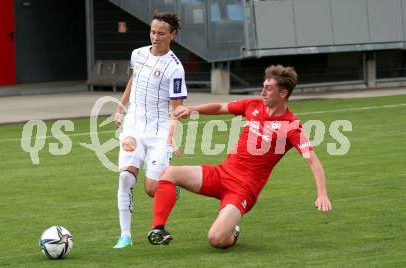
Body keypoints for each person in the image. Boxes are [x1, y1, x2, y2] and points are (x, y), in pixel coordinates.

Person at [147, 65, 332, 248]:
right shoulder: (253, 105)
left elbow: (312, 161)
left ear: (283, 93)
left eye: (268, 88)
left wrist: (322, 194)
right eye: (263, 86)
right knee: (169, 173)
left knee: (216, 239)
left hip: (242, 190)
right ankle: (158, 228)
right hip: (221, 174)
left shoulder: (292, 126)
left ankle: (232, 231)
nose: (263, 92)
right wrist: (191, 109)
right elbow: (220, 106)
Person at [112, 11, 187, 249]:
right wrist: (120, 108)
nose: (156, 37)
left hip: (158, 130)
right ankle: (125, 235)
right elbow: (133, 80)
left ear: (172, 35)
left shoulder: (175, 68)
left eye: (161, 33)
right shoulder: (138, 54)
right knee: (125, 177)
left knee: (152, 189)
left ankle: (170, 186)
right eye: (153, 32)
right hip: (133, 125)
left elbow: (177, 108)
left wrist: (171, 137)